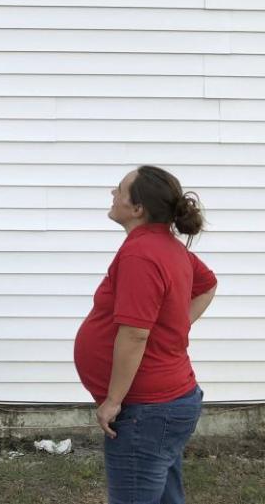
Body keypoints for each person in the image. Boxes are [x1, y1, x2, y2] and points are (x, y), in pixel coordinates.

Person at [74, 165, 217, 504]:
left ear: (137, 208)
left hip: (147, 410)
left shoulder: (141, 254)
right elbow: (208, 285)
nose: (113, 193)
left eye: (120, 189)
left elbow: (135, 334)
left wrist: (114, 400)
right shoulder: (166, 246)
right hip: (168, 404)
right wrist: (173, 328)